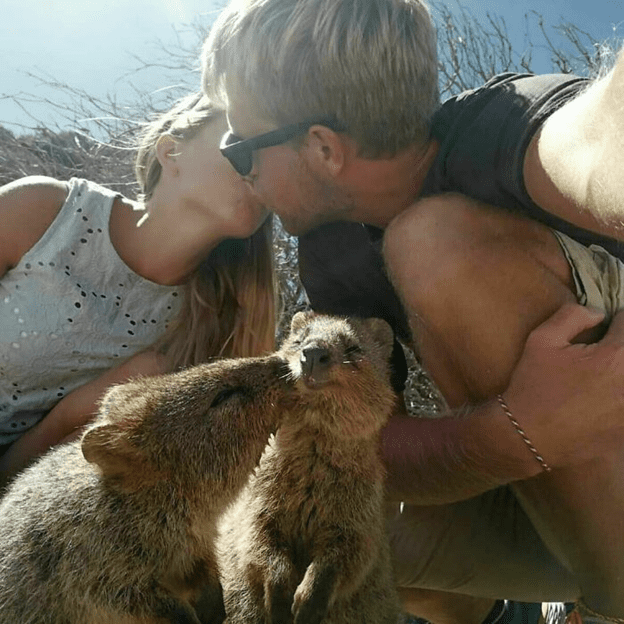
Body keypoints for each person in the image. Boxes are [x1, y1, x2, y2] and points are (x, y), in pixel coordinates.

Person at [201, 1, 624, 623]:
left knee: (429, 242)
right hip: (551, 478)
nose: (243, 176)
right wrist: (513, 435)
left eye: (242, 150)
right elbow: (371, 451)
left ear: (323, 148)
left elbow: (594, 143)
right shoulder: (331, 255)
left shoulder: (498, 131)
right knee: (307, 526)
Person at [0, 92, 276, 486]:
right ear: (171, 151)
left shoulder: (214, 336)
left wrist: (81, 410)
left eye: (272, 152)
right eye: (241, 142)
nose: (261, 166)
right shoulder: (45, 212)